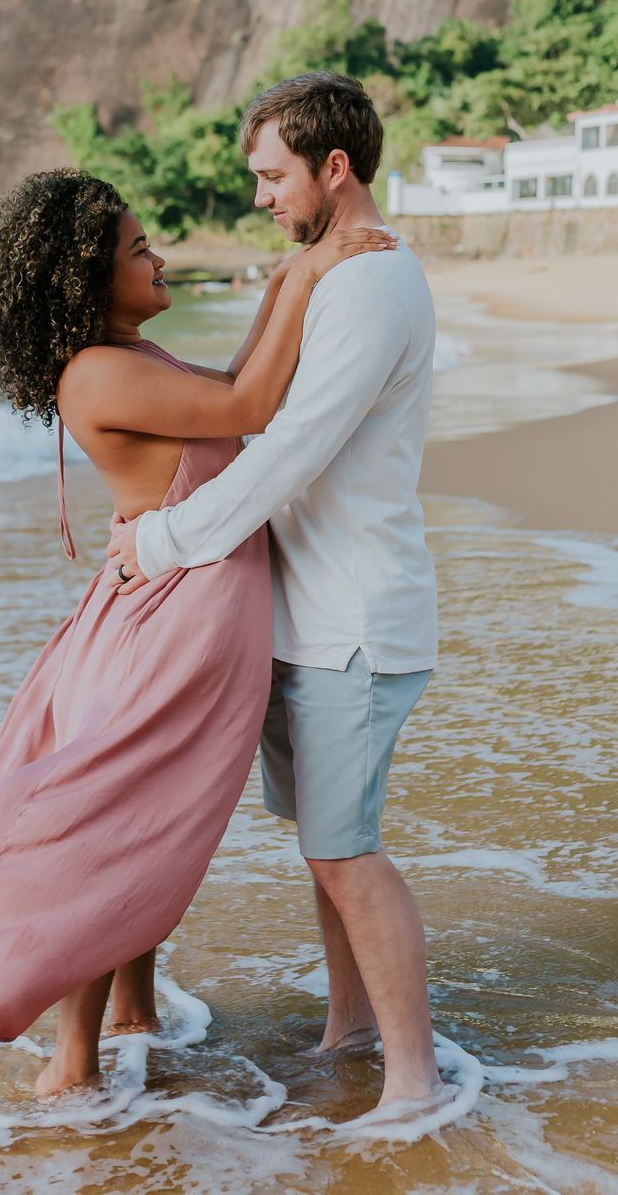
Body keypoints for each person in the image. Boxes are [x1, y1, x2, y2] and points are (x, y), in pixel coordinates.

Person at [0, 167, 392, 1096]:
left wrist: (279, 286)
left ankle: (133, 1013)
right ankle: (73, 1060)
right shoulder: (100, 372)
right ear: (86, 277)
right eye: (140, 249)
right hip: (172, 617)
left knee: (141, 821)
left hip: (170, 606)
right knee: (111, 826)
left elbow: (231, 385)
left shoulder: (135, 357)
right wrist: (309, 273)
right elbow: (250, 409)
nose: (159, 257)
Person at [107, 72, 444, 1116]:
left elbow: (289, 448)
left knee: (347, 851)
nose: (260, 195)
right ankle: (351, 1032)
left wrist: (160, 540)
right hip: (310, 614)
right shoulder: (330, 270)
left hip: (353, 619)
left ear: (332, 168)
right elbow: (244, 398)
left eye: (271, 175)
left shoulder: (372, 282)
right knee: (324, 850)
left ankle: (414, 1080)